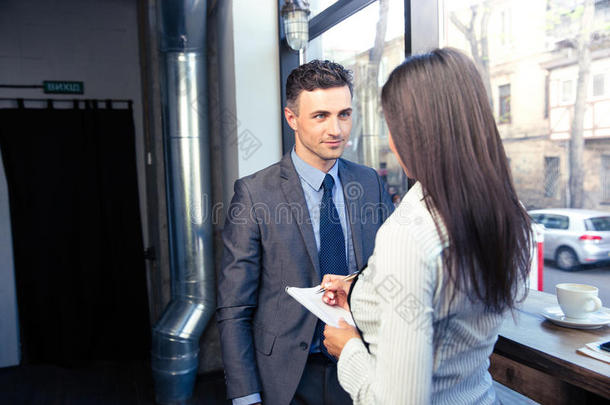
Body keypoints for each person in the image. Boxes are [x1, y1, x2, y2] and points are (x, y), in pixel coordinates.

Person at [321, 48, 532, 404]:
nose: (390, 140)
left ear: (417, 134)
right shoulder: (510, 213)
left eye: (393, 126)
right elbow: (448, 305)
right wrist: (363, 287)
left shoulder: (409, 234)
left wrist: (350, 347)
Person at [217, 59, 394, 405]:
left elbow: (386, 272)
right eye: (320, 116)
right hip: (287, 378)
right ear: (292, 118)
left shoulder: (369, 182)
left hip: (363, 365)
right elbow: (234, 307)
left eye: (344, 114)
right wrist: (245, 397)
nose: (337, 130)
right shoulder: (254, 194)